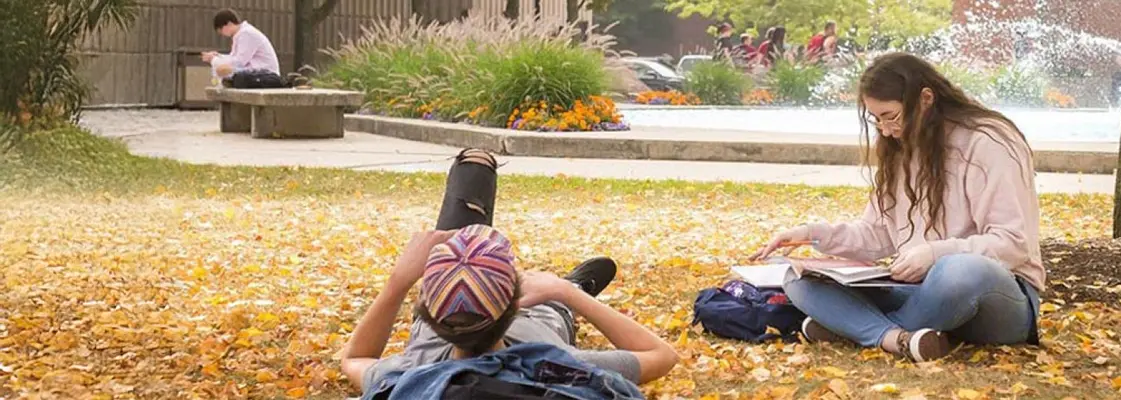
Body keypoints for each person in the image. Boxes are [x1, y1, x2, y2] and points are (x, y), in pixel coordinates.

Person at [751, 53, 1044, 362]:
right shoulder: (899, 148)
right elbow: (876, 235)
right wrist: (810, 234)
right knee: (798, 278)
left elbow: (1013, 244)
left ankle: (856, 329)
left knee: (957, 270)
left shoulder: (986, 141)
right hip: (920, 292)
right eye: (876, 119)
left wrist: (934, 254)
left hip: (995, 298)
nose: (885, 129)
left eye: (890, 116)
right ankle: (896, 339)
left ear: (925, 99)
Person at [341, 149, 680, 397]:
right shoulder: (561, 366)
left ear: (426, 311)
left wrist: (397, 283)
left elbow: (355, 358)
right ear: (517, 304)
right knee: (552, 307)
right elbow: (662, 356)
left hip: (485, 312)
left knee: (457, 239)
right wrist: (565, 293)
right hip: (548, 312)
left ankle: (470, 187)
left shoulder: (411, 371)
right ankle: (575, 286)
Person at [200, 9, 280, 80]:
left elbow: (239, 62)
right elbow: (235, 58)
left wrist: (215, 59)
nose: (222, 34)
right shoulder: (240, 34)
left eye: (221, 30)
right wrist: (218, 56)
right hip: (258, 73)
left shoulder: (246, 34)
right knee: (225, 72)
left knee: (225, 71)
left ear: (229, 23)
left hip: (266, 75)